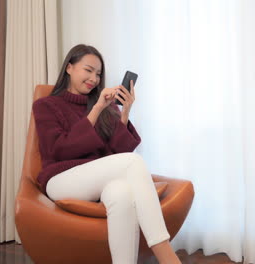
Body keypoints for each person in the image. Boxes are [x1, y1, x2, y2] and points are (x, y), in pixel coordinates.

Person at [32, 44, 181, 264]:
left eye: (98, 73)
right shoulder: (46, 105)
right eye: (88, 70)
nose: (94, 78)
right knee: (132, 162)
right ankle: (166, 254)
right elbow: (60, 150)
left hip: (94, 184)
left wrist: (124, 112)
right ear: (69, 68)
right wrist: (97, 109)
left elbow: (117, 156)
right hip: (60, 180)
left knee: (121, 193)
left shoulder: (105, 106)